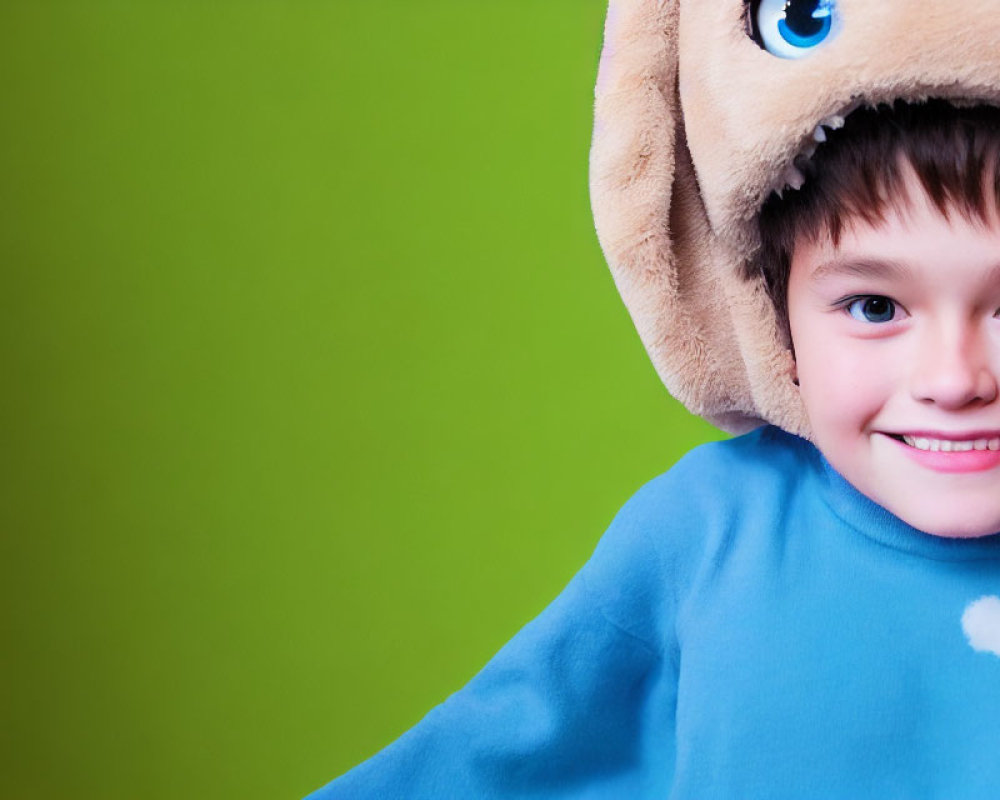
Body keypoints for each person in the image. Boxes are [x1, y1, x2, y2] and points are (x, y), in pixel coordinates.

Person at [307, 3, 1000, 797]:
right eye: (875, 308)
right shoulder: (705, 537)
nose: (954, 379)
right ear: (777, 322)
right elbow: (490, 760)